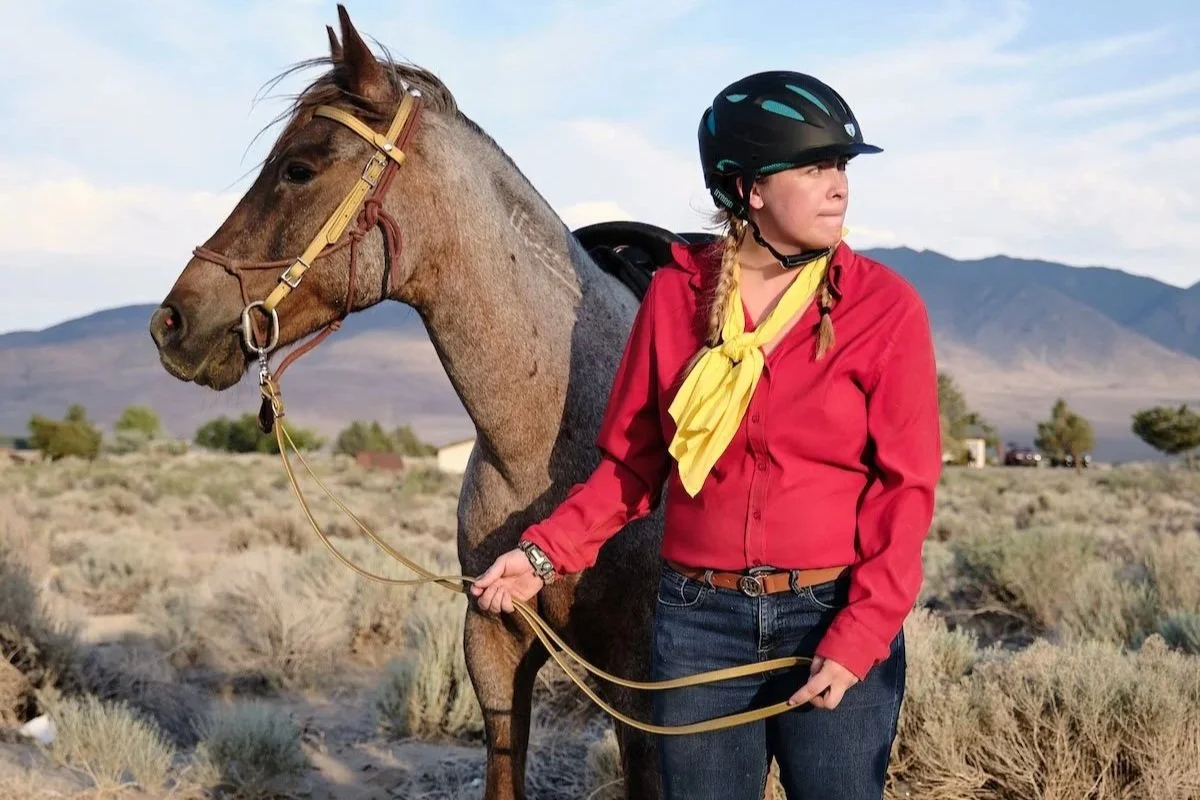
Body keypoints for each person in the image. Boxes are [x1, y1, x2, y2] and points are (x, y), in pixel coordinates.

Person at [471, 70, 941, 800]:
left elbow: (903, 494)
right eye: (814, 167)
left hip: (833, 617)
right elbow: (633, 465)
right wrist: (542, 556)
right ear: (749, 189)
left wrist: (859, 636)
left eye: (842, 167)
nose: (839, 185)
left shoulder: (885, 308)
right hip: (700, 628)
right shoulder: (675, 297)